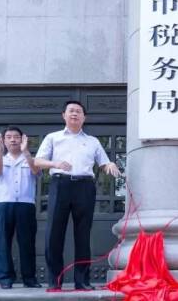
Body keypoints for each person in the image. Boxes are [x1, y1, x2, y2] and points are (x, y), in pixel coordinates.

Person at [34, 100, 120, 290]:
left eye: (78, 111)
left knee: (83, 235)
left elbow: (103, 163)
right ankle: (54, 281)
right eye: (71, 111)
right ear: (63, 115)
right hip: (60, 184)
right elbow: (38, 161)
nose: (74, 114)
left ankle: (82, 281)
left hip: (85, 187)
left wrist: (110, 165)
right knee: (54, 234)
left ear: (84, 117)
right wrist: (55, 164)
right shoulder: (53, 138)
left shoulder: (92, 141)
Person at [0, 127, 42, 289]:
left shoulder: (31, 159)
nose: (13, 140)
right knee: (3, 243)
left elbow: (36, 171)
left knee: (27, 242)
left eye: (16, 137)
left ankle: (29, 278)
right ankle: (6, 278)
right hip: (4, 204)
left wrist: (26, 152)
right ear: (4, 141)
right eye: (9, 137)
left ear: (22, 139)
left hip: (26, 205)